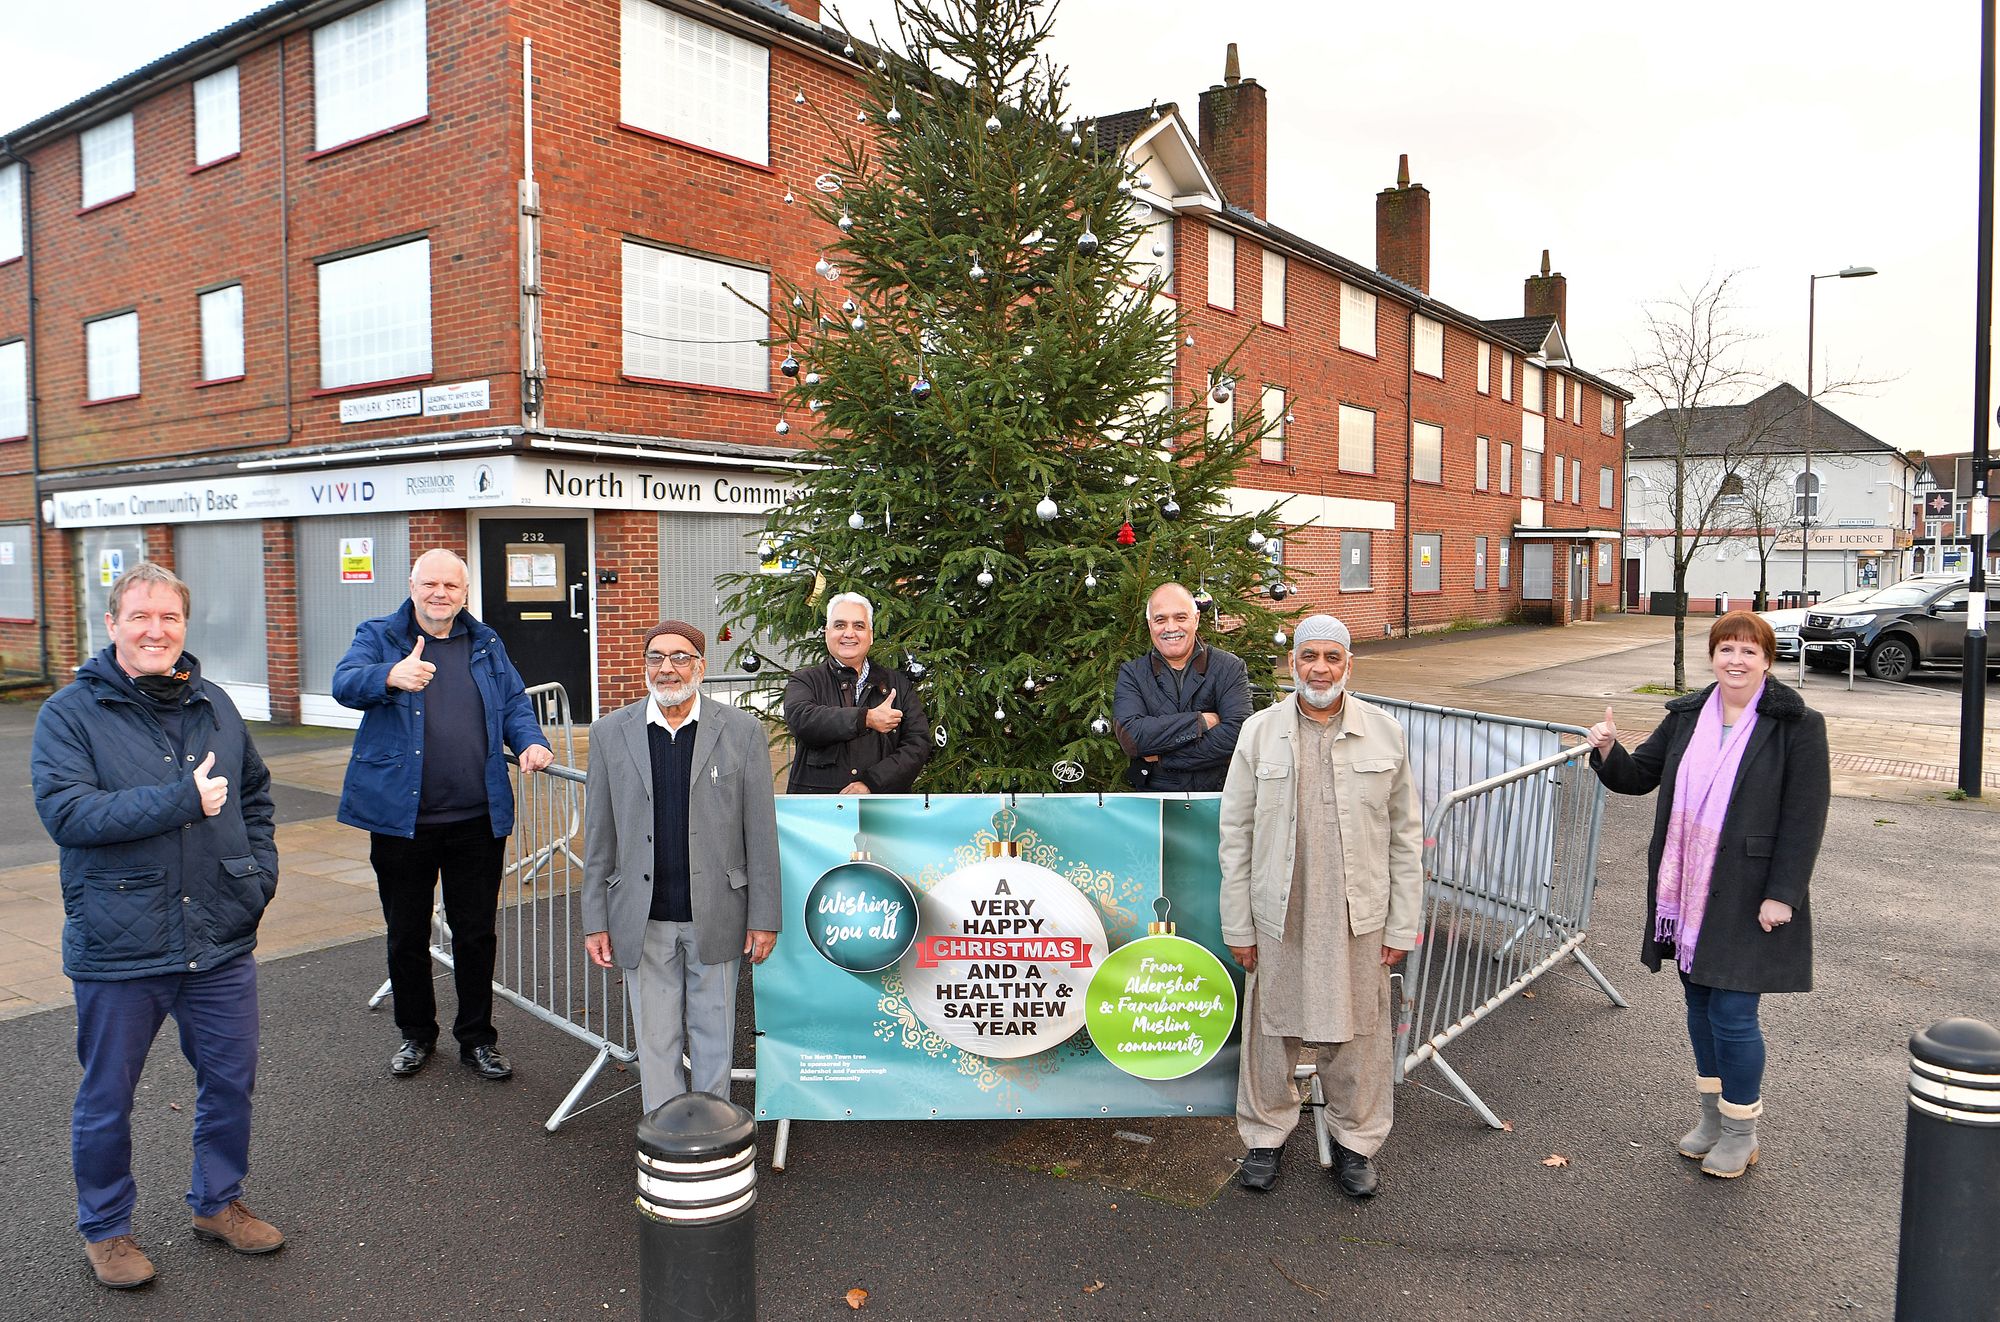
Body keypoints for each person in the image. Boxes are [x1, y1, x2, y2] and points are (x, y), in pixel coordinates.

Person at [31, 563, 284, 1288]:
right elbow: (68, 815)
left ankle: (218, 1202)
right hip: (121, 941)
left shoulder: (215, 705)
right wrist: (181, 801)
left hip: (219, 934)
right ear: (111, 625)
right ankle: (106, 1230)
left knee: (230, 1083)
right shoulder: (70, 714)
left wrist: (255, 874)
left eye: (169, 618)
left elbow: (256, 796)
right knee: (108, 1097)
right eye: (140, 616)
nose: (155, 630)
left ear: (184, 626)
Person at [1586, 610, 1828, 1179]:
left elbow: (1804, 818)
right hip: (1688, 889)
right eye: (1726, 650)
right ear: (1713, 656)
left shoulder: (1796, 724)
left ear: (1767, 660)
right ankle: (1713, 1119)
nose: (1736, 661)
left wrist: (1784, 894)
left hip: (1749, 891)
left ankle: (1742, 1130)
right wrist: (1607, 749)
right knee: (1699, 1005)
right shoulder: (1689, 715)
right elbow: (1637, 776)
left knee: (1734, 1011)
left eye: (1749, 651)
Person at [1218, 614, 1422, 1198]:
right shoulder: (1258, 733)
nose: (1320, 668)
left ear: (1349, 665)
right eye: (1310, 656)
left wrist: (1402, 924)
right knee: (1270, 1029)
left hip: (1359, 913)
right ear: (1293, 664)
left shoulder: (1385, 733)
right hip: (1279, 910)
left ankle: (1356, 1144)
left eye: (1333, 657)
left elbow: (1406, 837)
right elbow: (1235, 836)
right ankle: (1263, 1140)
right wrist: (1239, 923)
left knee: (1359, 1033)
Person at [333, 549, 553, 1081]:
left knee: (475, 933)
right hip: (401, 821)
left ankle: (477, 1037)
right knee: (406, 933)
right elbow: (345, 684)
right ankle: (416, 1036)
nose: (440, 594)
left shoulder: (486, 641)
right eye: (430, 583)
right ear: (412, 585)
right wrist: (391, 675)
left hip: (477, 819)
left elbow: (515, 703)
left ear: (465, 592)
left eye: (451, 586)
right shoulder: (380, 636)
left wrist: (530, 742)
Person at [582, 621, 781, 1110]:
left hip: (716, 912)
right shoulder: (610, 733)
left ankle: (714, 1134)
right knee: (656, 1041)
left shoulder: (741, 731)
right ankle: (665, 1140)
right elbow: (599, 836)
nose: (666, 668)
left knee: (715, 1036)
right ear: (645, 665)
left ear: (701, 665)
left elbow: (760, 832)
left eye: (679, 657)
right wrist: (594, 921)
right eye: (656, 657)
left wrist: (764, 918)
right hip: (643, 916)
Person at [783, 591, 930, 794]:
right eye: (840, 625)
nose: (849, 633)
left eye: (859, 626)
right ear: (827, 633)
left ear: (870, 636)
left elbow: (917, 744)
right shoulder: (805, 680)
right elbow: (802, 721)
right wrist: (866, 718)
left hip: (883, 809)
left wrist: (872, 783)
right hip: (817, 813)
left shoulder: (898, 684)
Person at [1112, 582, 1253, 791]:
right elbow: (1132, 738)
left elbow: (1239, 734)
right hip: (1156, 800)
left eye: (1180, 617)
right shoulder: (1132, 673)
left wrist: (1162, 758)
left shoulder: (1229, 667)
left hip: (1218, 797)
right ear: (1150, 624)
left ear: (1195, 619)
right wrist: (1200, 722)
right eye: (1160, 619)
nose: (1170, 628)